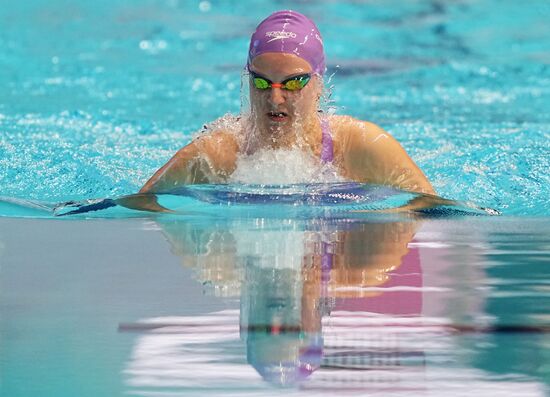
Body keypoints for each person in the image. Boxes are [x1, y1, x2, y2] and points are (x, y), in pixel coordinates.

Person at [139, 10, 435, 196]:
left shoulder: (362, 147)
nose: (275, 97)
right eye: (261, 82)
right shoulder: (215, 156)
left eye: (294, 83)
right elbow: (138, 208)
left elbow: (434, 211)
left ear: (319, 85)